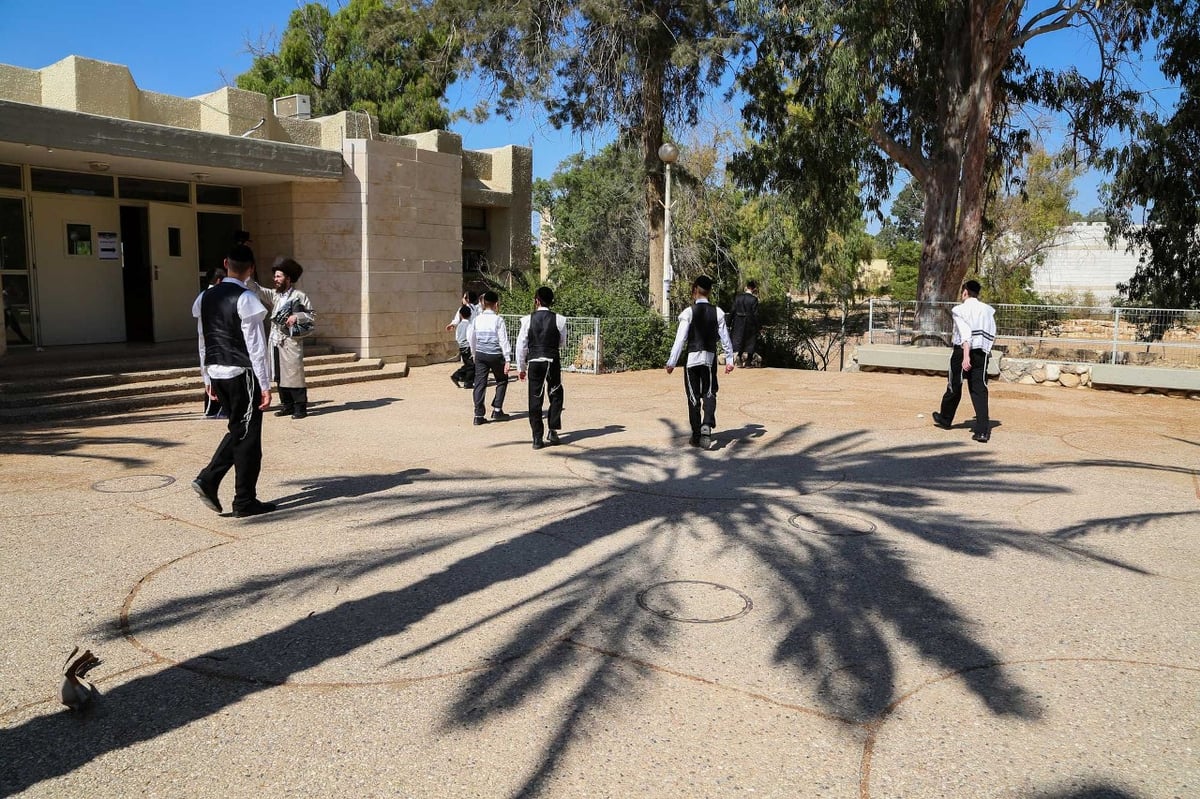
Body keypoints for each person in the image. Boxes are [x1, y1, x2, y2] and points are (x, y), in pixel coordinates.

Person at [191, 244, 276, 518]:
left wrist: (206, 377)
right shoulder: (246, 298)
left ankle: (217, 484)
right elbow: (256, 345)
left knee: (240, 430)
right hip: (242, 373)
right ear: (250, 269)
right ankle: (238, 496)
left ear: (226, 262)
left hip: (217, 371)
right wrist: (265, 384)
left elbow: (203, 340)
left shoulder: (204, 297)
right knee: (248, 437)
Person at [666, 275, 735, 448]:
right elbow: (725, 338)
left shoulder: (688, 312)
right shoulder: (717, 312)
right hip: (710, 358)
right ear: (710, 291)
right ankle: (707, 424)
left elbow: (680, 340)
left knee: (693, 396)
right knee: (710, 392)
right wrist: (729, 359)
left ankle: (696, 435)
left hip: (691, 360)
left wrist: (672, 362)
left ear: (695, 290)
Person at [248, 257, 315, 419]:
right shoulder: (275, 296)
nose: (275, 280)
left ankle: (300, 407)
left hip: (291, 342)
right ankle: (287, 405)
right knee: (279, 374)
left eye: (278, 276)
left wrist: (296, 317)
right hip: (275, 341)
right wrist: (248, 275)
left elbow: (311, 315)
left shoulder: (299, 296)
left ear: (288, 278)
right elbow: (258, 290)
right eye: (275, 277)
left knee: (294, 374)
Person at [933, 279, 997, 443]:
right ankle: (982, 430)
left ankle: (945, 418)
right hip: (982, 352)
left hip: (963, 351)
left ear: (965, 292)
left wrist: (966, 356)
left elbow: (965, 333)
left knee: (954, 385)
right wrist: (985, 349)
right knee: (979, 389)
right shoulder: (988, 310)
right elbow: (991, 332)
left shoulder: (959, 310)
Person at [516, 286, 567, 449]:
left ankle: (537, 437)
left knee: (535, 398)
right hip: (552, 360)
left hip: (535, 361)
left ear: (536, 300)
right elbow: (562, 342)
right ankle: (552, 430)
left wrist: (521, 368)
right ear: (551, 301)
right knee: (556, 393)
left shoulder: (526, 320)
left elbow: (521, 346)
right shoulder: (560, 319)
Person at [467, 290, 510, 425]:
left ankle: (478, 415)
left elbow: (471, 338)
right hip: (496, 354)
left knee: (480, 383)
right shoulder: (498, 320)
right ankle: (497, 410)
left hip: (480, 354)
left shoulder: (477, 319)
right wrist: (507, 358)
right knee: (502, 380)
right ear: (496, 304)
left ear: (483, 303)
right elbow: (503, 340)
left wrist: (474, 353)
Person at [194, 266, 228, 418]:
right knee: (213, 372)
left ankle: (217, 407)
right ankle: (213, 407)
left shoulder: (202, 296)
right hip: (212, 339)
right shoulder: (211, 295)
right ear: (220, 280)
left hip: (210, 339)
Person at [447, 290, 480, 389]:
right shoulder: (476, 309)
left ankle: (465, 379)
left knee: (470, 363)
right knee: (471, 363)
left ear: (467, 299)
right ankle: (464, 379)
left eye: (464, 297)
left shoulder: (466, 309)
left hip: (468, 339)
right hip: (470, 338)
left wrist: (453, 324)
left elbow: (457, 318)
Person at [729, 280, 760, 367]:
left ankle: (739, 356)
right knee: (750, 342)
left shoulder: (738, 297)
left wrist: (728, 322)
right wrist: (758, 326)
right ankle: (748, 361)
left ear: (746, 287)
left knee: (740, 340)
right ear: (754, 289)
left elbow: (732, 310)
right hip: (750, 324)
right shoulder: (754, 299)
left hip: (738, 323)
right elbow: (755, 314)